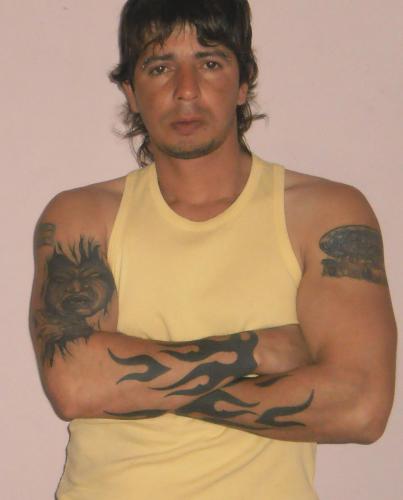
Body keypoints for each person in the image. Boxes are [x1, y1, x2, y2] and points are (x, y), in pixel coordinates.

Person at [30, 1, 397, 499]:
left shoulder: (325, 214)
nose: (186, 90)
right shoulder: (82, 216)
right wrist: (257, 350)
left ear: (243, 82)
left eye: (209, 62)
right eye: (160, 67)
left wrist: (129, 386)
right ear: (131, 92)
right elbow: (75, 386)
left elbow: (359, 407)